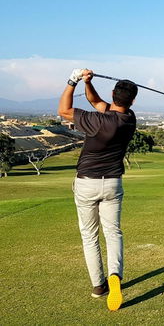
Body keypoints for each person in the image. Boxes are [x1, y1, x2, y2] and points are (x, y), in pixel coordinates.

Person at [58, 68, 137, 311]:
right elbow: (95, 101)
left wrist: (72, 81)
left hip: (87, 183)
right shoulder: (129, 118)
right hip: (113, 183)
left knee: (89, 236)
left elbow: (63, 110)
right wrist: (87, 83)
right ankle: (115, 275)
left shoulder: (98, 121)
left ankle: (98, 285)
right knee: (113, 233)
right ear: (132, 100)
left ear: (113, 93)